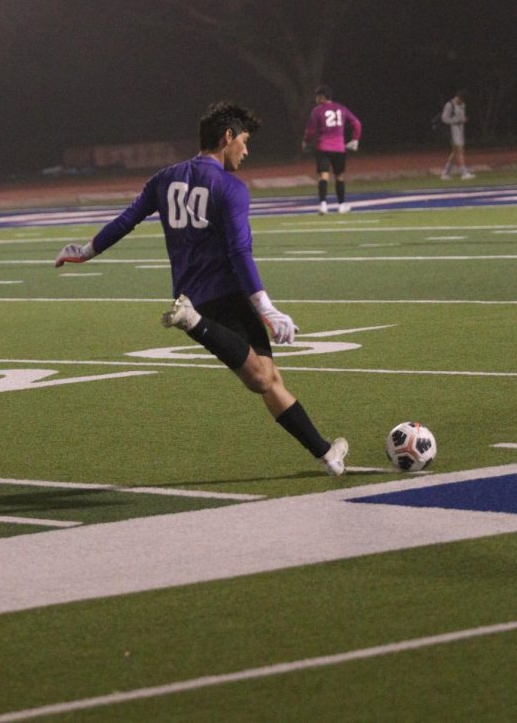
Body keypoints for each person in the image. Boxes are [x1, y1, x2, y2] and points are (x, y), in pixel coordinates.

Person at [54, 100, 348, 476]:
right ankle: (191, 322)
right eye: (243, 140)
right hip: (223, 297)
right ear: (227, 137)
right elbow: (240, 252)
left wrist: (86, 251)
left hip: (196, 296)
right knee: (262, 378)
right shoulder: (230, 187)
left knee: (267, 379)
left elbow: (127, 220)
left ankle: (326, 455)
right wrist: (267, 308)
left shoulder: (165, 178)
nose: (246, 149)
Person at [301, 84, 362, 214]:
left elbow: (310, 130)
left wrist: (305, 142)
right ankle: (341, 205)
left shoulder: (317, 111)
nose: (316, 99)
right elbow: (356, 123)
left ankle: (323, 204)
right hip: (339, 148)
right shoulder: (341, 108)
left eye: (317, 96)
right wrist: (355, 139)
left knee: (323, 175)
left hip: (323, 146)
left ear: (322, 97)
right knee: (339, 176)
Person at [440, 90, 475, 180]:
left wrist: (463, 120)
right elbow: (444, 119)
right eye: (461, 100)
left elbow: (461, 116)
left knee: (456, 152)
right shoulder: (449, 105)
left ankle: (445, 173)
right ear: (458, 97)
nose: (462, 103)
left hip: (460, 131)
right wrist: (456, 121)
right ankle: (464, 173)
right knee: (459, 151)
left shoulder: (463, 105)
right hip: (452, 131)